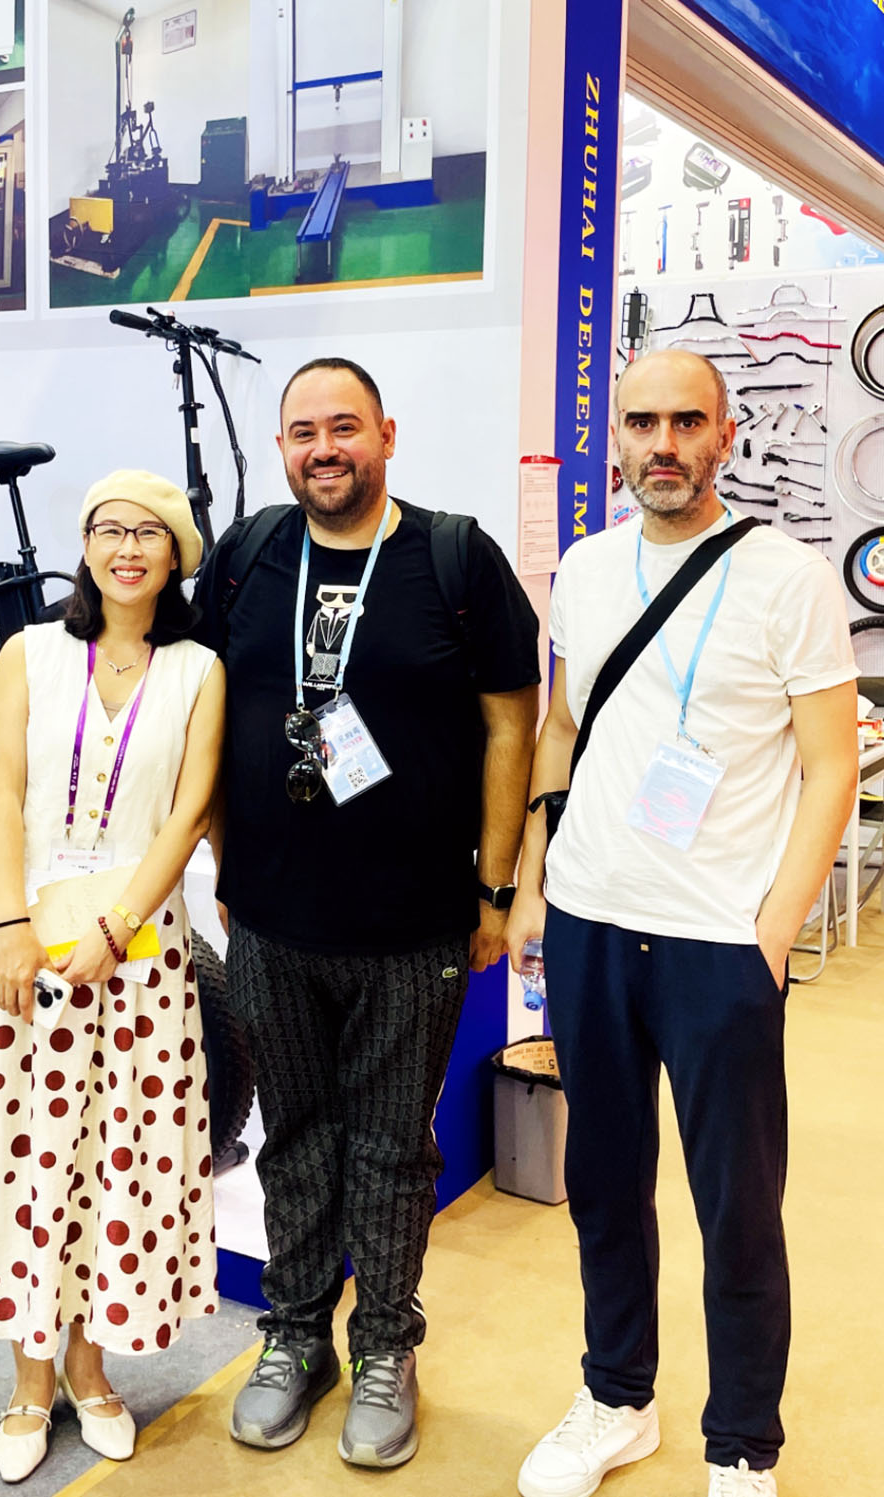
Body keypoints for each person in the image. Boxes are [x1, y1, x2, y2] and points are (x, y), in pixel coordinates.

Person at [507, 350, 858, 1497]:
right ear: (614, 436)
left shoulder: (787, 578)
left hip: (718, 941)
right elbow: (562, 728)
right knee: (605, 1185)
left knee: (735, 1207)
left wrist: (772, 932)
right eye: (640, 422)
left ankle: (741, 1444)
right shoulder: (584, 569)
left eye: (685, 422)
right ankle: (616, 1399)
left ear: (723, 435)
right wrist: (533, 879)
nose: (661, 443)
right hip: (592, 922)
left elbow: (830, 766)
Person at [191, 357, 540, 1468]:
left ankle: (386, 1344)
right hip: (271, 922)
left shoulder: (453, 558)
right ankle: (295, 1335)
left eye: (344, 427)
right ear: (281, 448)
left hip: (414, 923)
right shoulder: (247, 557)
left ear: (386, 434)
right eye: (303, 433)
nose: (324, 449)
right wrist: (218, 854)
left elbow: (511, 723)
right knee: (293, 1137)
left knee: (392, 1148)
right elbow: (200, 713)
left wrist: (495, 886)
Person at [0, 471, 226, 1483]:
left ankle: (92, 1371)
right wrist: (7, 921)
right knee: (21, 1164)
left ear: (174, 555)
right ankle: (29, 1382)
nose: (127, 548)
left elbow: (188, 814)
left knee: (111, 1162)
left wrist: (118, 927)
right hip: (21, 945)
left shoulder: (198, 670)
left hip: (137, 961)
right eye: (108, 529)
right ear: (85, 545)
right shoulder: (30, 653)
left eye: (148, 533)